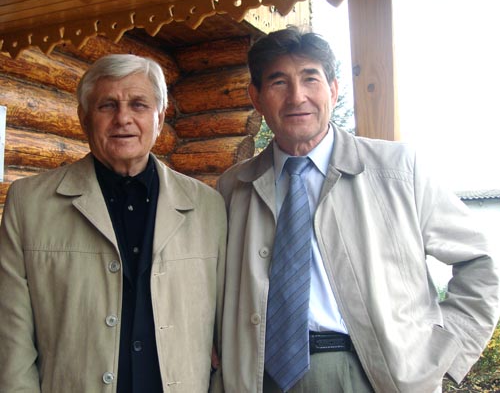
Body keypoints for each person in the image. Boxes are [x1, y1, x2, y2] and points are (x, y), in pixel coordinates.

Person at [216, 26, 499, 393]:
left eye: (310, 78)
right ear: (256, 97)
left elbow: (480, 261)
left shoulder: (399, 170)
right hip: (261, 376)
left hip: (373, 376)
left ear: (333, 90)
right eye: (279, 82)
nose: (297, 96)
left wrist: (444, 355)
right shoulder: (234, 187)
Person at [0, 54, 226, 393]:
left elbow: (226, 330)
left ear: (160, 116)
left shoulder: (208, 207)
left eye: (138, 105)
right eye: (107, 105)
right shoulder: (29, 204)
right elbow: (11, 339)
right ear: (83, 118)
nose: (123, 118)